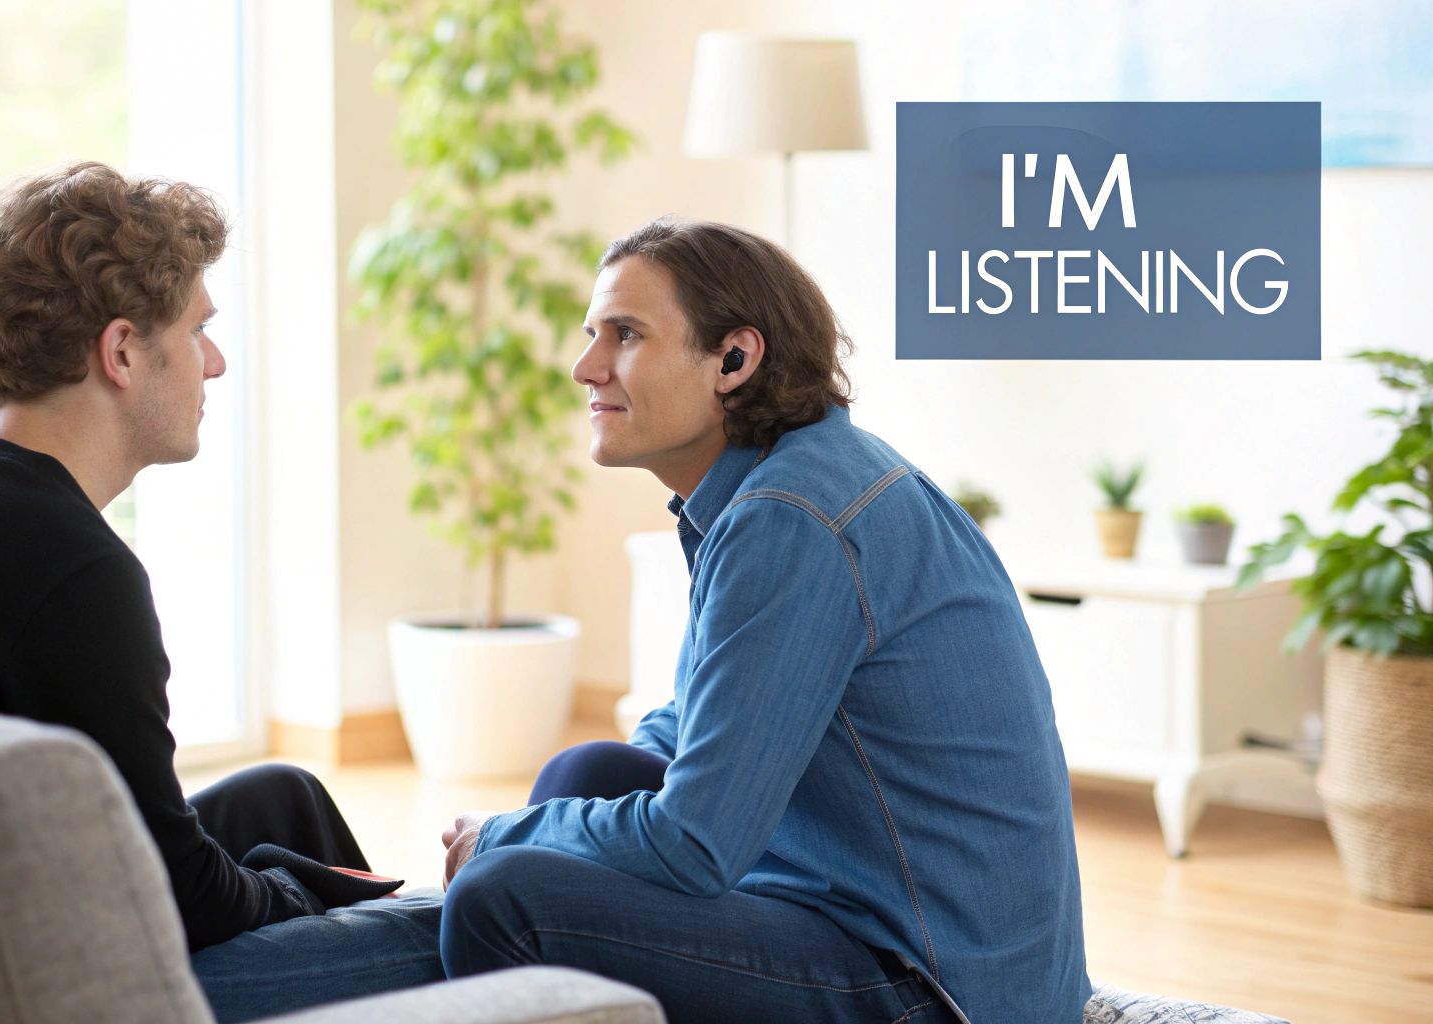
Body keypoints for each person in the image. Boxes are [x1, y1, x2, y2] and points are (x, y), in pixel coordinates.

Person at [0, 162, 443, 1022]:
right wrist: (303, 895)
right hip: (28, 987)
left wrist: (295, 883)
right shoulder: (71, 570)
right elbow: (186, 899)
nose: (214, 362)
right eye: (200, 328)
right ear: (123, 351)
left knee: (285, 796)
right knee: (463, 919)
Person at [436, 219, 1091, 1024]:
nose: (585, 367)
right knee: (590, 777)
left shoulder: (793, 519)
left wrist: (506, 836)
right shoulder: (787, 483)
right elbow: (701, 720)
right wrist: (553, 824)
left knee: (506, 900)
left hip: (935, 989)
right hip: (876, 916)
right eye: (591, 335)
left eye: (625, 335)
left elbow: (695, 841)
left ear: (734, 360)